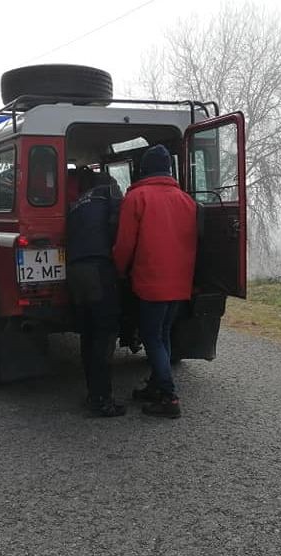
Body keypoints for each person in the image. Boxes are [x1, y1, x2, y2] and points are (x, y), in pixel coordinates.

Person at [113, 145, 197, 419]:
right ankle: (156, 386)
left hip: (151, 281)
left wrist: (119, 270)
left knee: (151, 336)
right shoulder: (186, 201)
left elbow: (125, 243)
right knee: (162, 335)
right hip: (180, 282)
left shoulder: (137, 197)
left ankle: (169, 397)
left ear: (144, 169)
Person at [67, 171, 126, 417]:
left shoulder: (78, 202)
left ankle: (93, 392)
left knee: (89, 333)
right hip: (97, 269)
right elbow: (118, 227)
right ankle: (101, 399)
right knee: (105, 332)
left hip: (75, 271)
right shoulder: (109, 194)